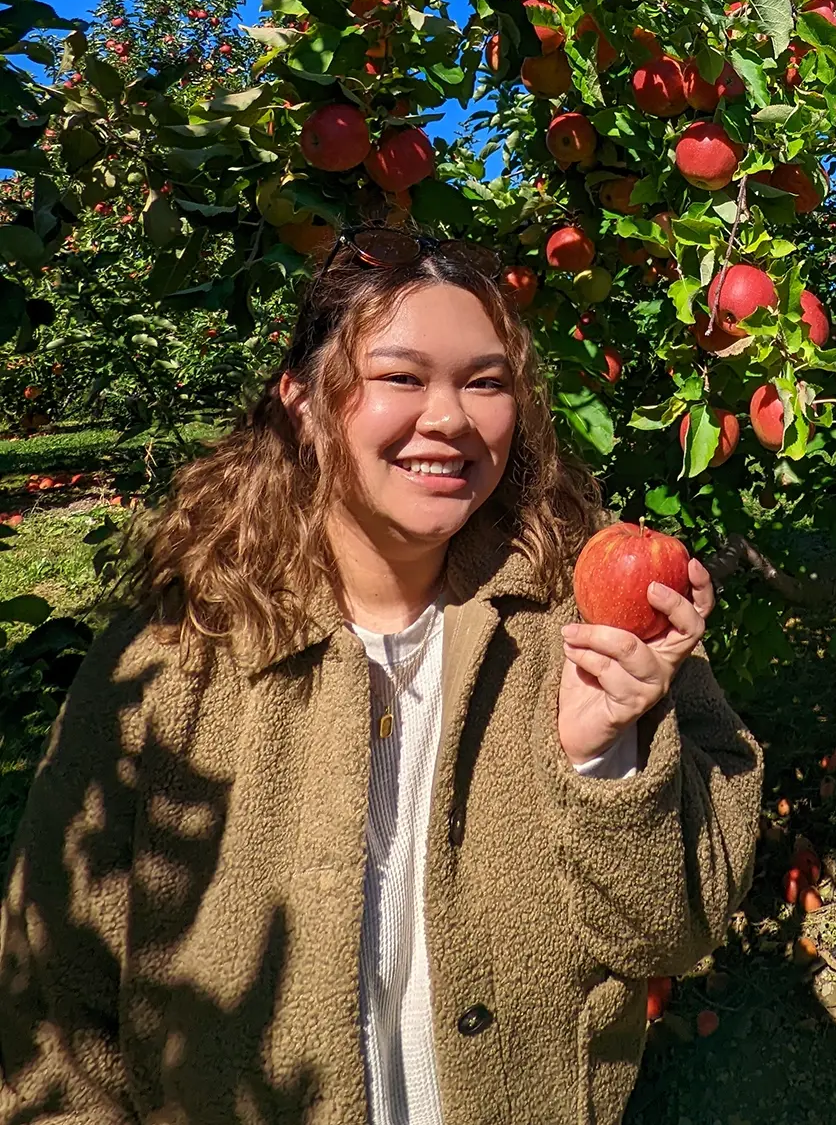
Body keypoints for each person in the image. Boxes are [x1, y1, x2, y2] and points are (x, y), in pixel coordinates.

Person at [0, 222, 764, 1125]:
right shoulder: (169, 663)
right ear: (303, 402)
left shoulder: (595, 629)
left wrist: (609, 758)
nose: (449, 417)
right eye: (402, 377)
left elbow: (670, 932)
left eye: (486, 382)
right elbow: (48, 1008)